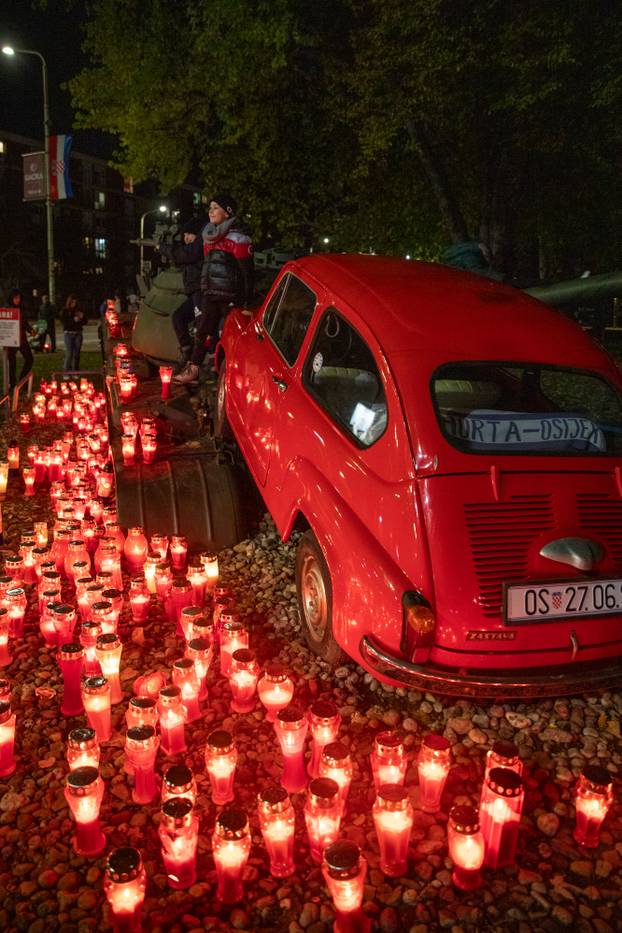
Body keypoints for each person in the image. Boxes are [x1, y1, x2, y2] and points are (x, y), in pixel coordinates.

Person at [175, 194, 253, 384]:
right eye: (210, 207)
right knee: (202, 332)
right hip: (210, 293)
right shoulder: (208, 238)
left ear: (227, 213)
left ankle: (227, 376)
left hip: (231, 297)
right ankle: (193, 369)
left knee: (226, 335)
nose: (211, 211)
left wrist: (246, 302)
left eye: (216, 207)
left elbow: (247, 273)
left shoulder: (239, 239)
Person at [157, 217, 205, 366]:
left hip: (201, 291)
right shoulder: (194, 248)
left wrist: (162, 248)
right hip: (195, 291)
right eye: (184, 235)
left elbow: (183, 255)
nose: (185, 239)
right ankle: (187, 349)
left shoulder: (200, 246)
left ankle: (200, 362)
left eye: (188, 234)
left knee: (201, 327)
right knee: (178, 317)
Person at [4, 288, 34, 389]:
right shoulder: (6, 309)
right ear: (11, 298)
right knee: (12, 363)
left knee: (29, 359)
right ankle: (13, 385)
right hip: (11, 340)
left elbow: (25, 323)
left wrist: (30, 330)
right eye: (16, 298)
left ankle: (22, 380)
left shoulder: (21, 309)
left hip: (22, 340)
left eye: (19, 298)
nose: (18, 300)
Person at [61, 294, 87, 371]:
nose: (74, 304)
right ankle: (66, 370)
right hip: (68, 333)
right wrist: (73, 320)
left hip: (78, 333)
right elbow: (64, 322)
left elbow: (85, 321)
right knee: (69, 353)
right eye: (72, 302)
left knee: (77, 354)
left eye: (75, 302)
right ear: (69, 302)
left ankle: (75, 370)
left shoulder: (79, 310)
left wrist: (82, 318)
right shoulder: (65, 311)